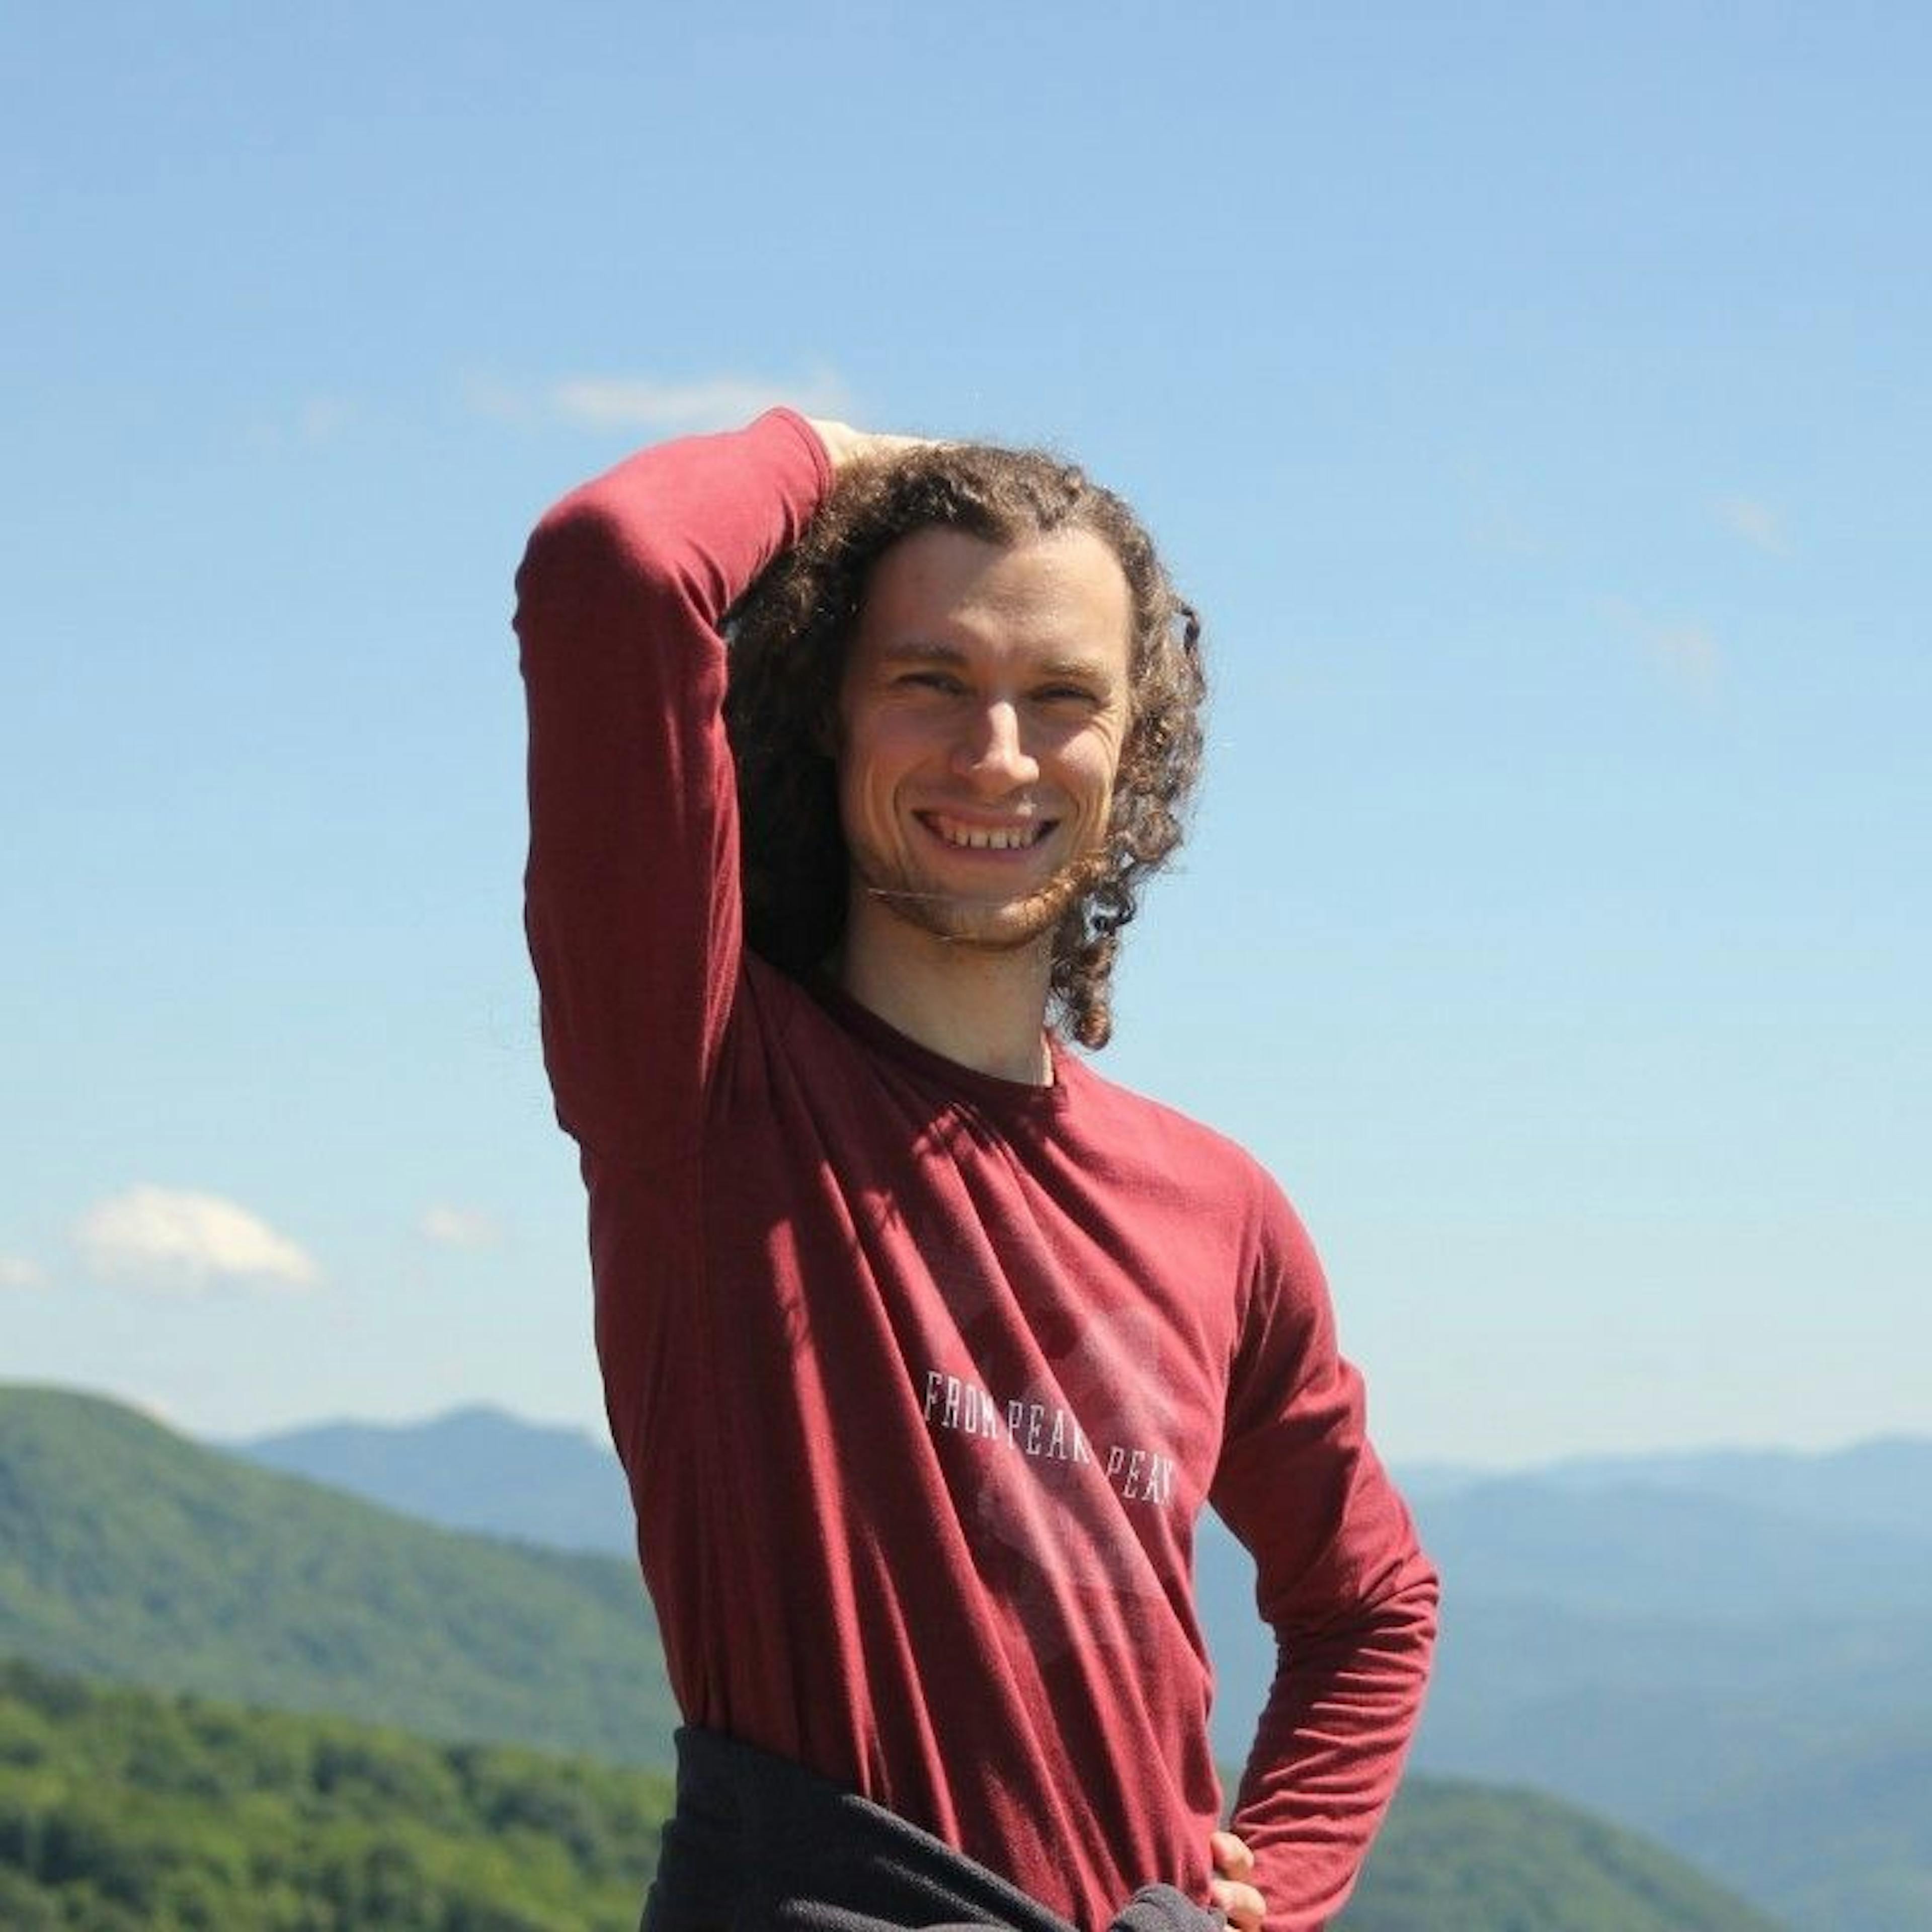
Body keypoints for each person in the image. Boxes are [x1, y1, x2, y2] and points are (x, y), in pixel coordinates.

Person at [515, 409, 1438, 1931]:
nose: (997, 755)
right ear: (829, 711)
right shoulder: (703, 1087)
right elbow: (613, 566)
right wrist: (838, 450)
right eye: (931, 681)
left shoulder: (1219, 1211)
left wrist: (1271, 1890)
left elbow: (1373, 1603)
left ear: (1135, 748)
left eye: (1062, 697)